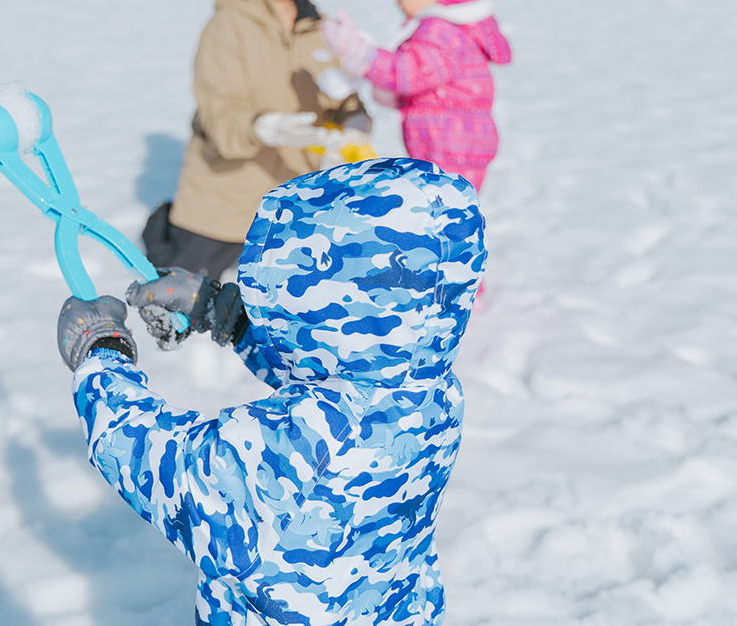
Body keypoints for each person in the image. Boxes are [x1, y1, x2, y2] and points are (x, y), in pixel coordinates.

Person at [57, 156, 487, 625]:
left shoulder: (308, 445)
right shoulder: (429, 390)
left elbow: (168, 469)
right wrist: (223, 311)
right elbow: (325, 374)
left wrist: (101, 354)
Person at [143, 0, 371, 282]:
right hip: (225, 202)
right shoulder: (226, 26)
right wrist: (263, 127)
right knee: (181, 307)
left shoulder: (320, 27)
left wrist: (354, 123)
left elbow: (345, 101)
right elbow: (219, 114)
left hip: (297, 202)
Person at [320, 0, 511, 192]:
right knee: (453, 213)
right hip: (458, 143)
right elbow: (427, 80)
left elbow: (409, 72)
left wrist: (362, 54)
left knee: (443, 213)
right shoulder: (458, 27)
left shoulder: (440, 30)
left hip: (448, 145)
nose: (398, 2)